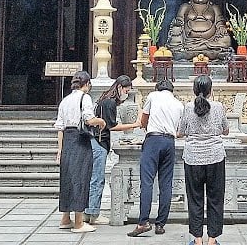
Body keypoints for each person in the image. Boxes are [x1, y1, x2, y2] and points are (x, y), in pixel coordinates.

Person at [128, 79, 184, 237]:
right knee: (166, 183)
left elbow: (144, 119)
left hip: (153, 140)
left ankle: (143, 222)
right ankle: (160, 224)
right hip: (169, 142)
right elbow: (180, 130)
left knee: (147, 182)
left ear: (158, 88)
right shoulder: (179, 104)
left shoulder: (153, 96)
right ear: (172, 90)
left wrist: (148, 126)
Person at [177, 75, 228, 245]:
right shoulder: (219, 107)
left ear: (194, 90)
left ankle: (197, 239)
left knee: (195, 199)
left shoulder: (187, 107)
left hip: (193, 158)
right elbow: (225, 130)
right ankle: (212, 239)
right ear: (210, 90)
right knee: (215, 198)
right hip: (215, 156)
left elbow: (181, 131)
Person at [54, 70, 105, 234]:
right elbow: (88, 119)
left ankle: (65, 218)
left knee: (67, 179)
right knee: (81, 179)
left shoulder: (65, 100)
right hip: (80, 140)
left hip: (67, 140)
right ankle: (78, 222)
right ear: (87, 84)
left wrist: (60, 150)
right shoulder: (85, 97)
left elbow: (60, 127)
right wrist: (100, 121)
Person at [85, 75, 136, 226]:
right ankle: (93, 213)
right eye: (126, 90)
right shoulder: (109, 103)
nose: (127, 93)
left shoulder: (105, 98)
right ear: (119, 87)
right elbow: (111, 126)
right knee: (97, 179)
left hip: (97, 141)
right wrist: (134, 125)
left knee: (95, 178)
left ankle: (90, 212)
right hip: (99, 142)